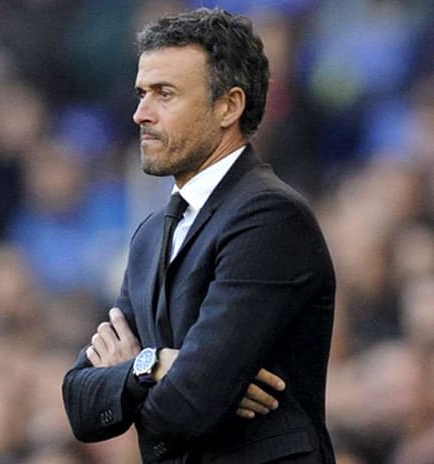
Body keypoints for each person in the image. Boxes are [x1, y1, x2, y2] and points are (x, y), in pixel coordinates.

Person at [62, 8, 335, 463]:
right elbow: (80, 404)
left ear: (229, 105)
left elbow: (188, 406)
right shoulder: (151, 234)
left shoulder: (269, 217)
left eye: (164, 94)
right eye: (142, 94)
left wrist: (139, 366)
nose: (140, 114)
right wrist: (159, 367)